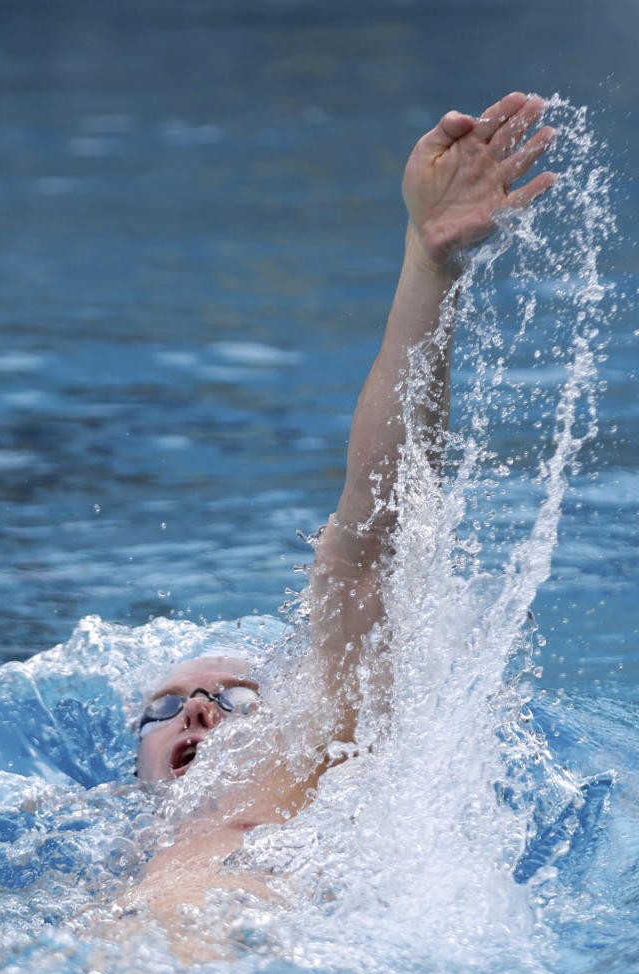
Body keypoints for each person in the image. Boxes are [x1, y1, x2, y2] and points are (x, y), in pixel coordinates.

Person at [125, 92, 556, 924]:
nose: (201, 708)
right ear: (134, 760)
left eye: (236, 699)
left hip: (252, 948)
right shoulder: (88, 841)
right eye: (166, 707)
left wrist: (429, 266)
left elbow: (374, 527)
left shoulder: (311, 750)